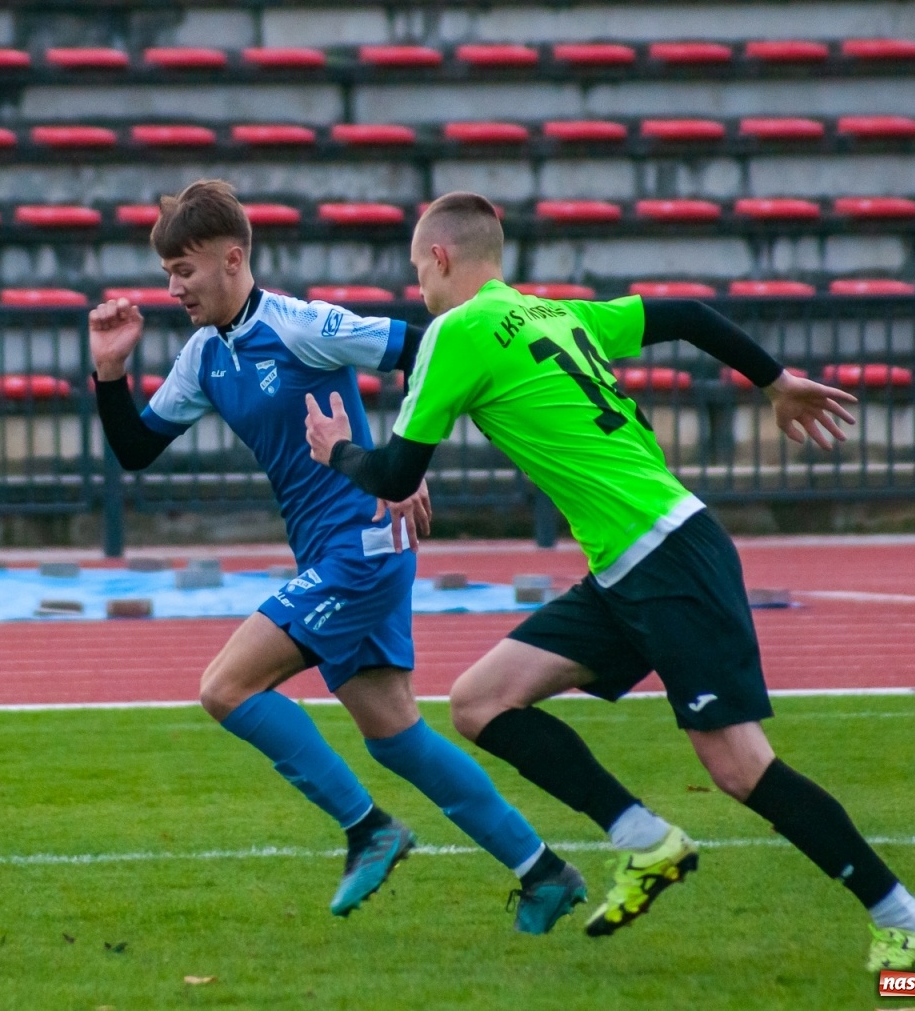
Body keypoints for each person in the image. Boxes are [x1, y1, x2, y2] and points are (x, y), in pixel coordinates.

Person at [304, 190, 915, 971]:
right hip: (631, 564)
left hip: (667, 555)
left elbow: (395, 471)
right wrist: (773, 378)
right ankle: (645, 840)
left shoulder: (456, 332)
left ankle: (906, 917)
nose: (420, 291)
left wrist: (337, 451)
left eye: (419, 272)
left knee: (738, 766)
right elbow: (683, 312)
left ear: (440, 258)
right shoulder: (556, 313)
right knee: (481, 701)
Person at [90, 179, 586, 932]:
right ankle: (544, 872)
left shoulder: (301, 325)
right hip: (340, 551)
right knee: (397, 737)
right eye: (167, 273)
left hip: (359, 551)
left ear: (232, 258)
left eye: (183, 270)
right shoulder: (202, 357)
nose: (173, 287)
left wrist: (398, 465)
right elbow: (134, 450)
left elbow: (435, 347)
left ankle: (369, 831)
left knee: (225, 688)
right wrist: (110, 372)